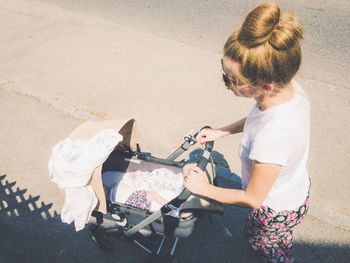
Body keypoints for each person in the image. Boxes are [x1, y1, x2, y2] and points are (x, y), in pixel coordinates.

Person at [183, 3, 310, 262]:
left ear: (264, 84)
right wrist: (221, 131)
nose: (227, 83)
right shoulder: (288, 91)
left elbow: (252, 198)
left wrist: (204, 188)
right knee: (277, 237)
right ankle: (279, 239)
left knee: (266, 244)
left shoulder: (272, 136)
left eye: (232, 79)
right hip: (295, 191)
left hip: (273, 209)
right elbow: (257, 118)